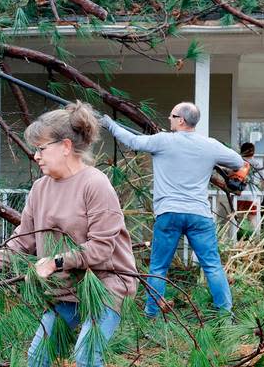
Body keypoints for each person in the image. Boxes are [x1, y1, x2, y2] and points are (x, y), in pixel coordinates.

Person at [0, 101, 137, 367]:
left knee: (87, 358)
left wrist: (58, 261)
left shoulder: (95, 185)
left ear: (66, 146)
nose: (36, 155)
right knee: (37, 356)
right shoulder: (40, 188)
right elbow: (24, 238)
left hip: (106, 286)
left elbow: (102, 246)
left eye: (42, 148)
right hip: (65, 291)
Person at [100, 103, 245, 316]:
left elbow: (132, 141)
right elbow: (238, 162)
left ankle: (151, 315)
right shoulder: (210, 145)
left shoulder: (163, 141)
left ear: (181, 120)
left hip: (169, 214)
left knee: (159, 269)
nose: (169, 118)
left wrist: (109, 124)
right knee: (213, 267)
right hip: (199, 216)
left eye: (172, 115)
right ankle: (224, 315)